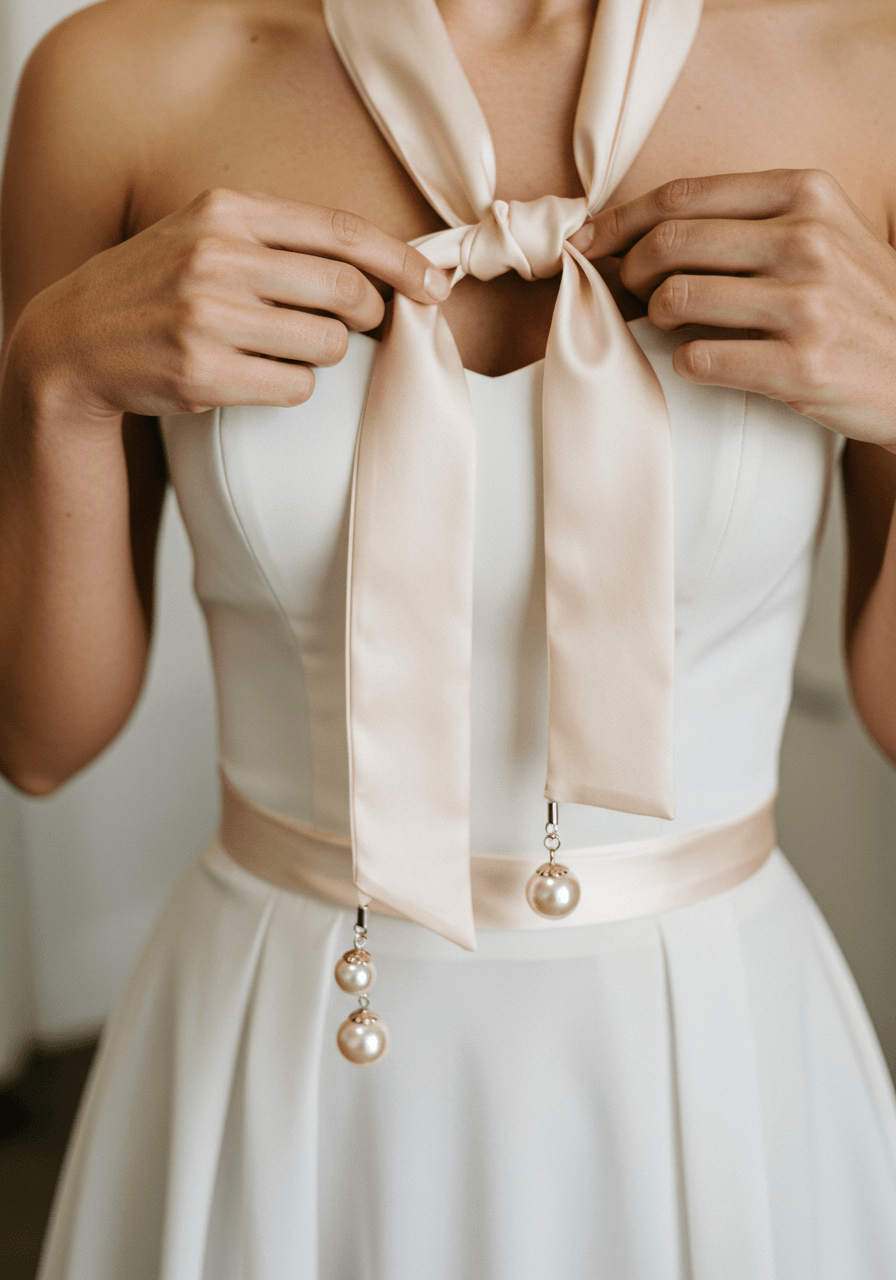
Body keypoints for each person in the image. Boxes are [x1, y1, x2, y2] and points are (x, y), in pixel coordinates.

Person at [2, 0, 896, 1274]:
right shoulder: (116, 84)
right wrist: (52, 385)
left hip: (707, 1052)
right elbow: (39, 743)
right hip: (285, 1041)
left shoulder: (868, 77)